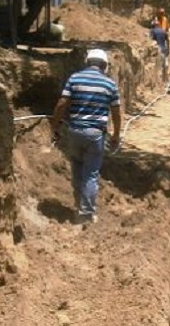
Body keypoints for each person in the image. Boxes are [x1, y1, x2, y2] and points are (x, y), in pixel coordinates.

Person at [49, 49, 122, 225]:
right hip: (95, 134)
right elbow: (117, 112)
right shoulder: (109, 84)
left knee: (76, 168)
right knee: (90, 174)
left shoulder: (74, 79)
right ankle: (86, 214)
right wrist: (116, 135)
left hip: (74, 131)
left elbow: (62, 103)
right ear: (104, 65)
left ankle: (78, 205)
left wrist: (55, 125)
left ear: (88, 62)